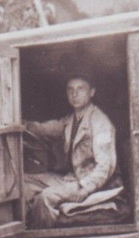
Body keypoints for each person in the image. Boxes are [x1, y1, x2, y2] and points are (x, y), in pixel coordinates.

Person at [23, 74, 119, 227]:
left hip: (87, 181)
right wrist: (24, 125)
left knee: (45, 197)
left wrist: (85, 189)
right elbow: (49, 129)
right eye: (70, 89)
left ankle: (46, 234)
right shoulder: (71, 119)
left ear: (92, 92)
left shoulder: (100, 122)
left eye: (80, 89)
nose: (75, 94)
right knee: (24, 182)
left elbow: (105, 167)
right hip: (72, 178)